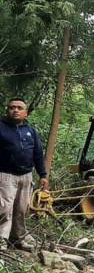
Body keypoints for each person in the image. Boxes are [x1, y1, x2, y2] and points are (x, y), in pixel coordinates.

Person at [0, 98, 48, 250]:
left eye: (19, 108)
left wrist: (43, 175)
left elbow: (38, 154)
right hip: (5, 174)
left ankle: (17, 239)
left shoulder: (31, 131)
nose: (15, 110)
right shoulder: (1, 127)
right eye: (12, 107)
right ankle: (2, 240)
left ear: (26, 113)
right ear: (7, 110)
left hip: (26, 176)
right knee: (4, 208)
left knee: (21, 209)